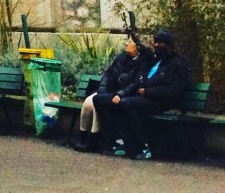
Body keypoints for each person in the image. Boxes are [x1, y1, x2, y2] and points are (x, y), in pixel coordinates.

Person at [107, 28, 190, 159]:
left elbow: (174, 90)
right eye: (155, 42)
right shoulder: (157, 60)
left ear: (168, 45)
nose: (156, 45)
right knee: (116, 103)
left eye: (160, 42)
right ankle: (128, 143)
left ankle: (144, 145)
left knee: (126, 104)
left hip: (161, 101)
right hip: (146, 97)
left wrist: (148, 92)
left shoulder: (177, 63)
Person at [72, 35, 154, 152]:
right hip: (110, 91)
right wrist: (101, 91)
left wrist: (119, 94)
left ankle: (93, 140)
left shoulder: (143, 63)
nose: (127, 43)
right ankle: (83, 138)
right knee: (88, 103)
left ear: (137, 48)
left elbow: (134, 84)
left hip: (124, 95)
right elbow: (108, 74)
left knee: (96, 105)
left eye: (130, 42)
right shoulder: (122, 57)